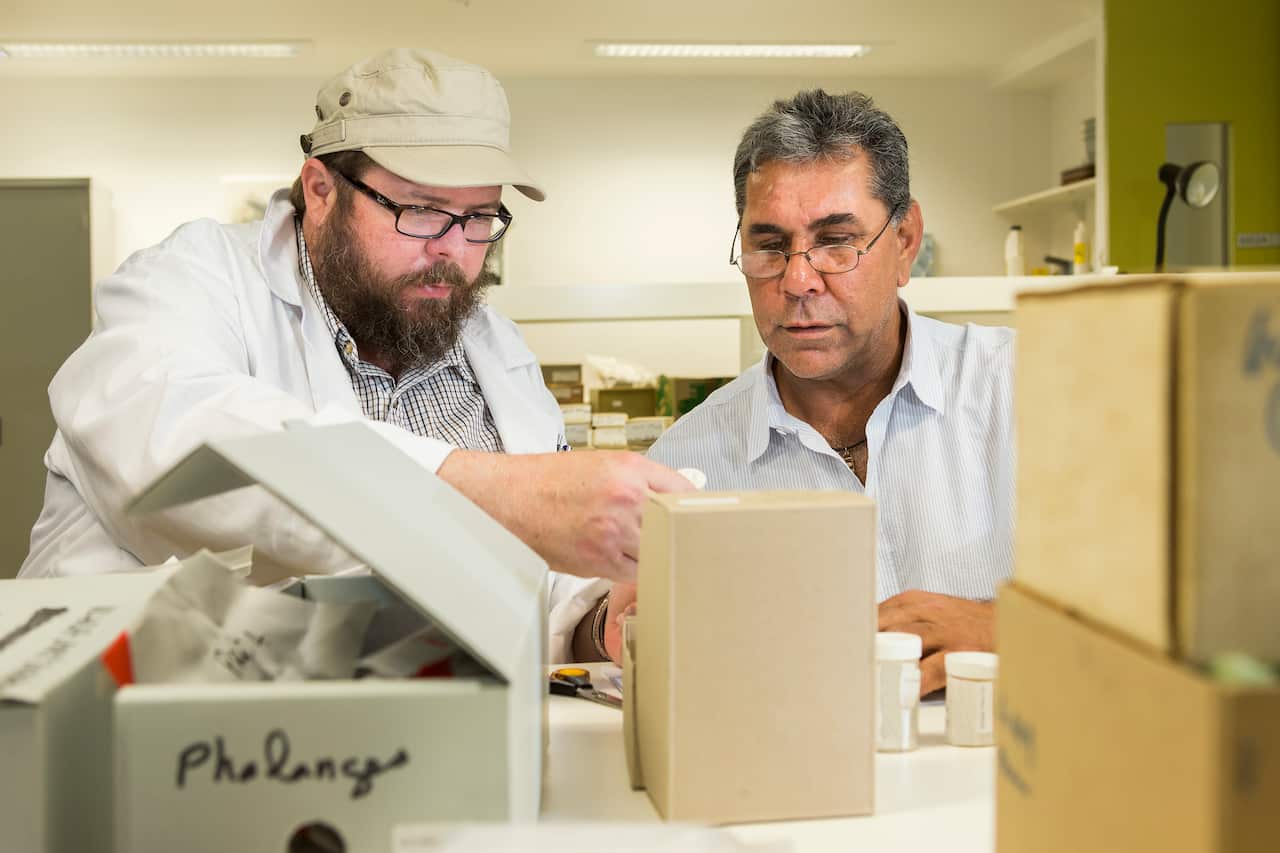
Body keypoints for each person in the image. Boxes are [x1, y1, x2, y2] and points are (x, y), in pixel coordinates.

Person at [19, 47, 690, 663]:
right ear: (320, 191)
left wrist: (593, 620)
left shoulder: (497, 352)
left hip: (410, 744)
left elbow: (523, 587)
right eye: (422, 210)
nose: (453, 251)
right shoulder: (194, 280)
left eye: (480, 217)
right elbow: (178, 458)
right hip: (140, 729)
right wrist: (492, 492)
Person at [644, 90, 1013, 694]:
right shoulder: (685, 467)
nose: (797, 280)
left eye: (837, 240)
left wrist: (1009, 631)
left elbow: (1177, 612)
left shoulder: (1026, 394)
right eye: (769, 246)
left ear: (905, 241)